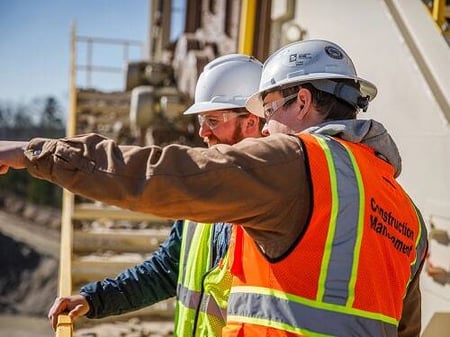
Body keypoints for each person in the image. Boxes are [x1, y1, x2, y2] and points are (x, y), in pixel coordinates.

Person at [0, 39, 428, 337]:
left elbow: (157, 172)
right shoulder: (405, 211)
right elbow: (401, 326)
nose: (267, 124)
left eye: (269, 108)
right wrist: (98, 299)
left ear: (301, 102)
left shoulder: (295, 163)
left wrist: (32, 153)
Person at [50, 54, 264, 337]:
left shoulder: (276, 205)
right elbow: (166, 271)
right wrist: (94, 299)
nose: (202, 132)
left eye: (212, 120)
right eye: (201, 120)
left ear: (250, 122)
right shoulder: (202, 193)